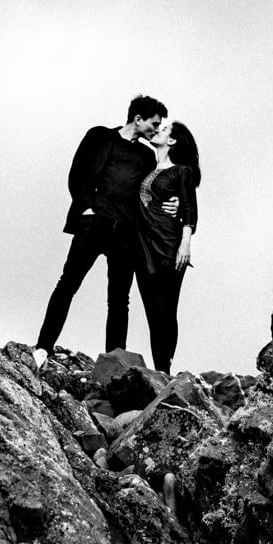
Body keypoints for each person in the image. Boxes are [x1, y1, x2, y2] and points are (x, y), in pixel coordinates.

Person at [33, 95, 167, 365]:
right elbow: (77, 173)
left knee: (119, 301)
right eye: (154, 123)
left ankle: (113, 364)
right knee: (68, 283)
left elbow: (148, 195)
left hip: (127, 232)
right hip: (95, 223)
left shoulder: (146, 155)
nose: (156, 129)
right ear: (138, 119)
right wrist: (86, 208)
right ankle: (43, 348)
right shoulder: (100, 136)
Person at [136, 119, 199, 374]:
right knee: (152, 314)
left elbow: (189, 209)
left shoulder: (180, 171)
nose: (157, 131)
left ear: (172, 141)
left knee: (165, 309)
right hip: (144, 248)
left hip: (170, 247)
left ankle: (165, 369)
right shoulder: (147, 168)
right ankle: (160, 370)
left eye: (163, 130)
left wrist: (185, 244)